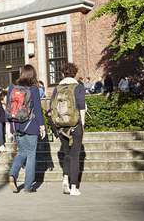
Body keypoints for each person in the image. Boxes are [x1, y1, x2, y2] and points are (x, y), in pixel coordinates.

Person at [7, 64, 45, 193]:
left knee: (22, 152)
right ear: (32, 75)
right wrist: (42, 126)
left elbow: (8, 107)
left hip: (16, 124)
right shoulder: (34, 89)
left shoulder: (12, 87)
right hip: (31, 125)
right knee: (30, 154)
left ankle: (12, 175)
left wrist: (10, 126)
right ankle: (28, 186)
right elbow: (38, 110)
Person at [50, 63, 86, 196]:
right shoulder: (78, 87)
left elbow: (51, 107)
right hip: (75, 125)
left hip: (61, 126)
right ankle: (74, 187)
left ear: (62, 74)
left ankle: (65, 179)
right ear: (75, 73)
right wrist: (82, 124)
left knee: (66, 154)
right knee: (75, 155)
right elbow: (81, 107)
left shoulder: (57, 88)